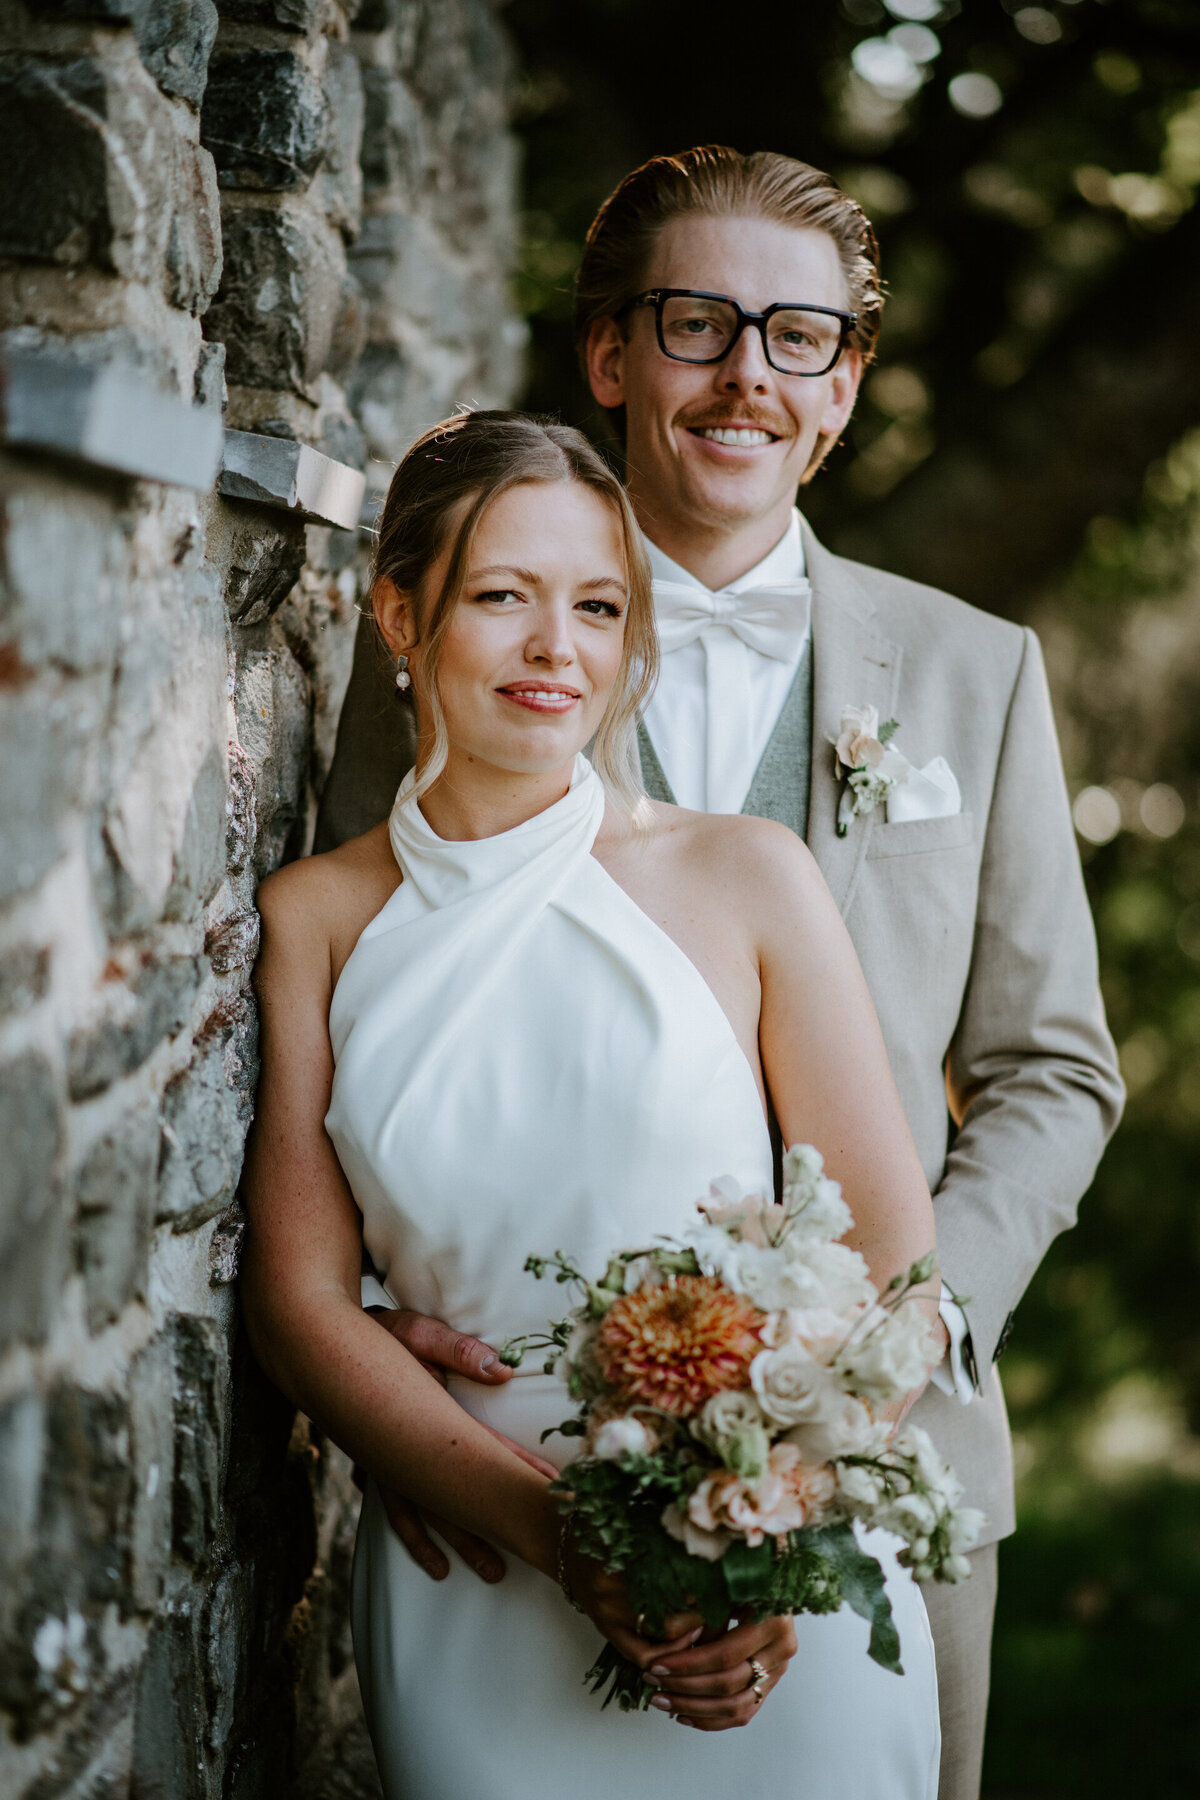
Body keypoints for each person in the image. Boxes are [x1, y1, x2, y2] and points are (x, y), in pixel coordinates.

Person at [314, 148, 1125, 1800]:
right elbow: (355, 988)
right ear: (612, 357)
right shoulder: (460, 641)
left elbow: (1054, 1070)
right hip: (515, 1466)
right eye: (699, 323)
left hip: (878, 1470)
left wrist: (885, 1354)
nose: (748, 373)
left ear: (845, 390)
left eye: (801, 338)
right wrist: (377, 1335)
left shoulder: (974, 673)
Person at [242, 409, 947, 1799]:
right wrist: (568, 1538)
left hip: (766, 1591)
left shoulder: (749, 878)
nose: (557, 647)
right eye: (503, 596)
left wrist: (758, 1534)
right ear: (402, 611)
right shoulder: (313, 919)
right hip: (482, 1565)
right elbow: (301, 1300)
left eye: (598, 606)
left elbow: (895, 1269)